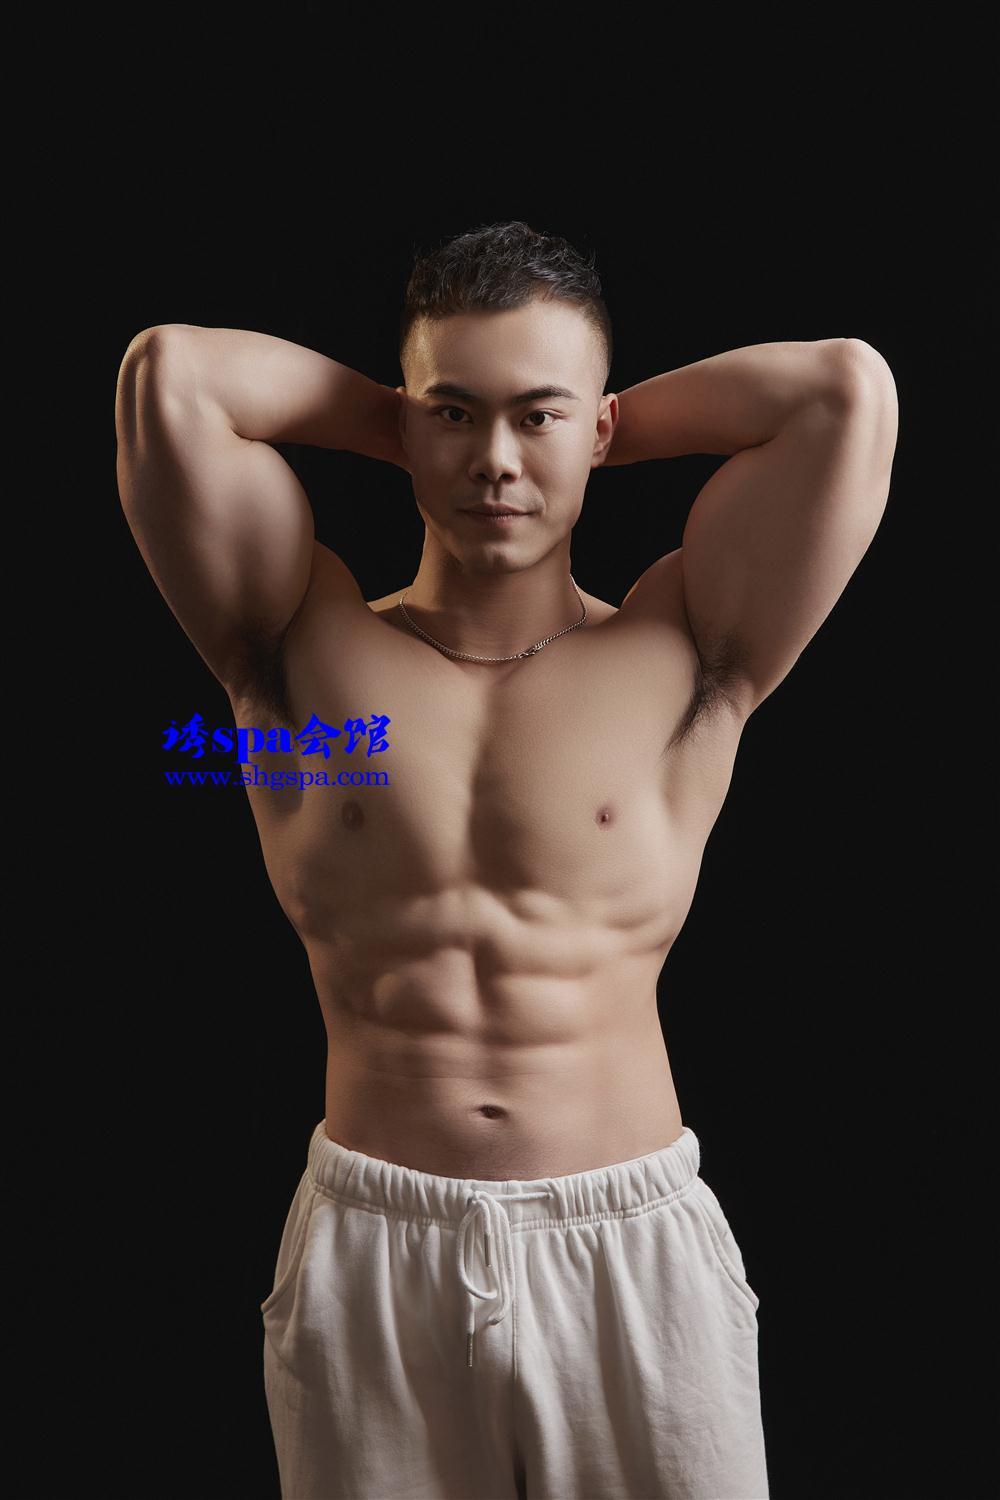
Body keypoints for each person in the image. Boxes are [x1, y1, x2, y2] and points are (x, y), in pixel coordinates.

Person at [115, 220, 898, 1500]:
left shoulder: (682, 649)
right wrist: (428, 419)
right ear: (406, 422)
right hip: (376, 1247)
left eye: (536, 417)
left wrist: (579, 424)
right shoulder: (302, 651)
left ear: (596, 429)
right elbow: (171, 378)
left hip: (628, 1246)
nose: (493, 460)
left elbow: (843, 392)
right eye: (453, 416)